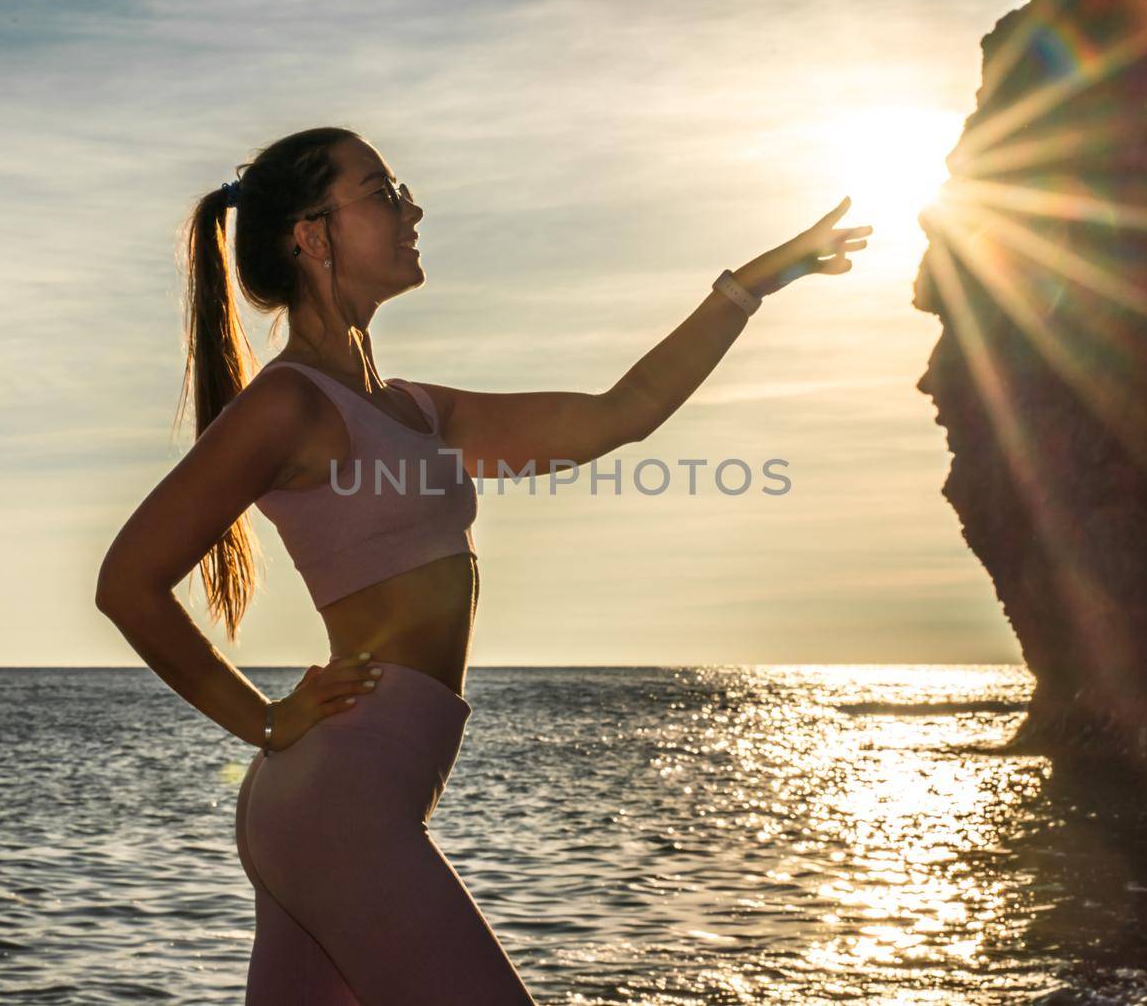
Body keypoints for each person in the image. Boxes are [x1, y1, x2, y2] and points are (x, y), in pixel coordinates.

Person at [94, 126, 870, 1004]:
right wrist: (263, 720)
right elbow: (128, 581)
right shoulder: (286, 405)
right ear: (311, 235)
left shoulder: (418, 411)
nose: (411, 208)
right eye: (381, 192)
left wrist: (755, 282)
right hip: (337, 803)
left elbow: (623, 414)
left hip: (349, 799)